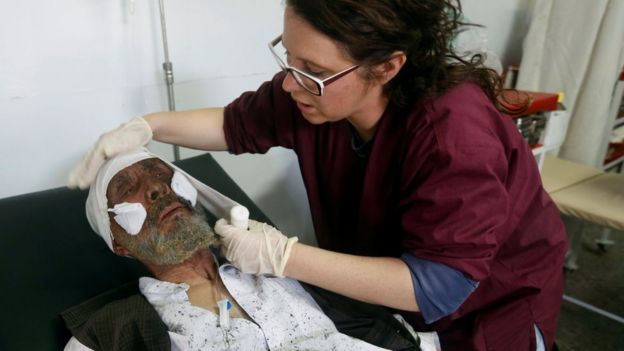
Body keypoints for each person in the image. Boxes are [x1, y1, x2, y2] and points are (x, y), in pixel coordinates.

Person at [69, 1, 567, 350]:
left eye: (311, 68)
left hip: (486, 310)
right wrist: (147, 125)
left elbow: (438, 285)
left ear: (388, 66)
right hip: (389, 312)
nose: (289, 81)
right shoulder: (316, 97)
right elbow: (235, 123)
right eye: (288, 55)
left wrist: (284, 257)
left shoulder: (453, 134)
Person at [65, 148, 429, 351]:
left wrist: (286, 258)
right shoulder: (116, 328)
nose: (157, 188)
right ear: (119, 243)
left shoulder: (275, 262)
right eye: (128, 186)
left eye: (159, 172)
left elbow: (415, 293)